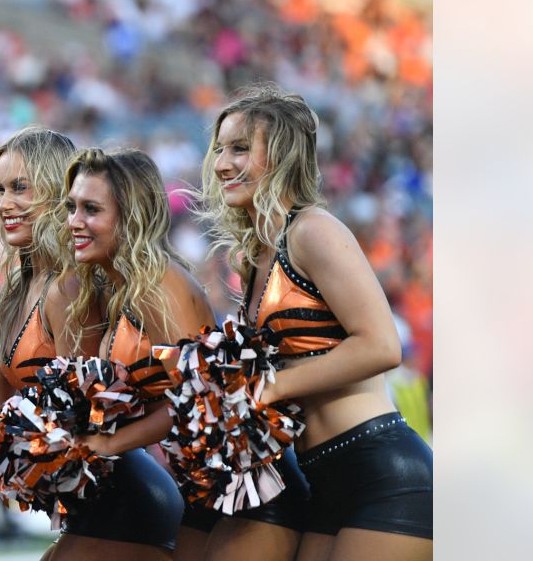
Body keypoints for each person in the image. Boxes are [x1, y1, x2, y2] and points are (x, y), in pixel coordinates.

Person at [199, 85, 431, 560]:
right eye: (219, 148)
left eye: (240, 148)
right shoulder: (255, 255)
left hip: (383, 474)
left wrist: (273, 386)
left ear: (282, 154)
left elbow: (381, 345)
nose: (222, 163)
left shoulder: (313, 230)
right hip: (320, 478)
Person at [59, 147, 213, 561]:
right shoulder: (121, 286)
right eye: (71, 207)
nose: (74, 221)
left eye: (91, 209)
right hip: (194, 490)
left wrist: (108, 445)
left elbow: (201, 398)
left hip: (232, 495)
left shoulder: (157, 286)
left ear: (130, 217)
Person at [0, 126, 85, 407]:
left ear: (56, 191)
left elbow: (79, 411)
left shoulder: (68, 286)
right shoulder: (18, 288)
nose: (3, 203)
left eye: (19, 188)